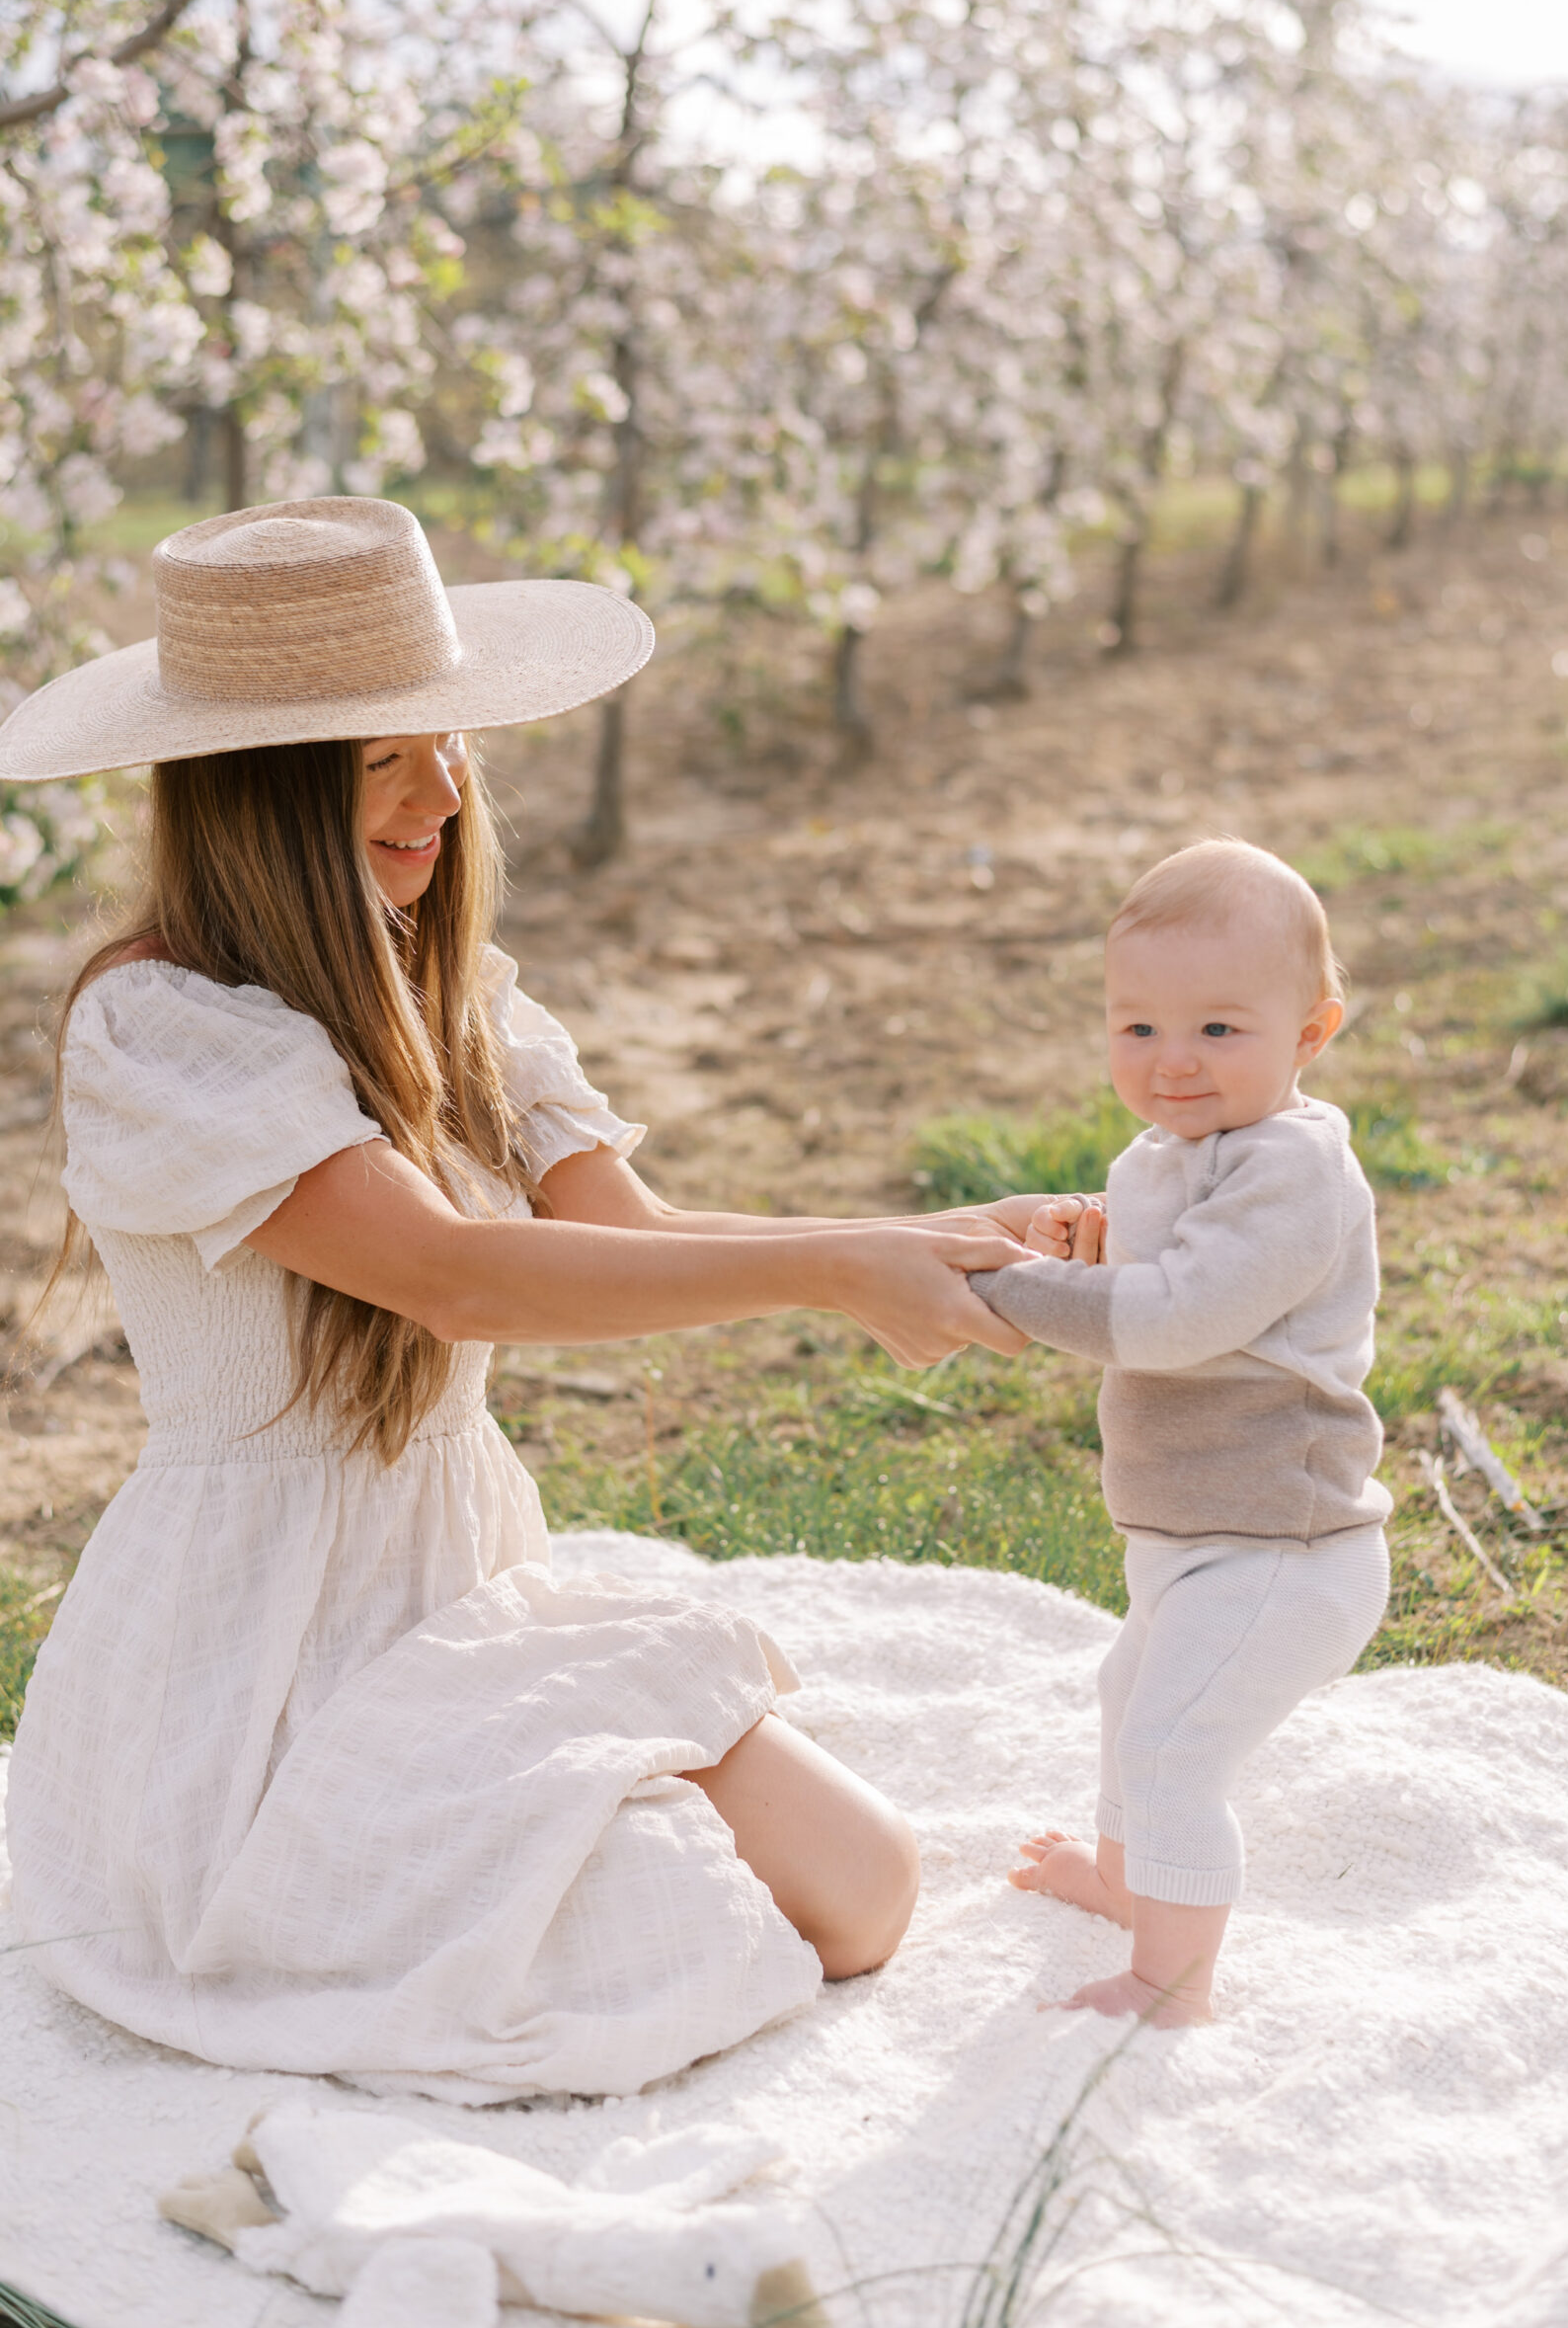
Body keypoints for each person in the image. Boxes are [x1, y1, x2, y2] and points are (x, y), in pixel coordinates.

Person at [0, 496, 1039, 2103]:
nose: (443, 790)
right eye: (381, 761)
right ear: (259, 795)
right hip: (261, 1655)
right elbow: (452, 1272)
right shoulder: (161, 1028)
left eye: (451, 742)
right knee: (716, 1931)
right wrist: (837, 1270)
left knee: (858, 1884)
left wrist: (912, 1232)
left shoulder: (458, 1000)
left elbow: (632, 1226)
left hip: (452, 1580)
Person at [972, 839, 1392, 2027]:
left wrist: (1005, 1286)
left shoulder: (1295, 1170)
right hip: (1189, 1531)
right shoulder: (1166, 1156)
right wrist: (1084, 1245)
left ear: (1310, 1033)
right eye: (1136, 1029)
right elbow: (1150, 1263)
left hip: (1285, 1548)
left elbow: (1174, 1317)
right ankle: (1125, 1881)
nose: (1172, 1064)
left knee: (1171, 1746)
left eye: (1218, 1030)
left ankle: (1170, 1984)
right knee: (1128, 1699)